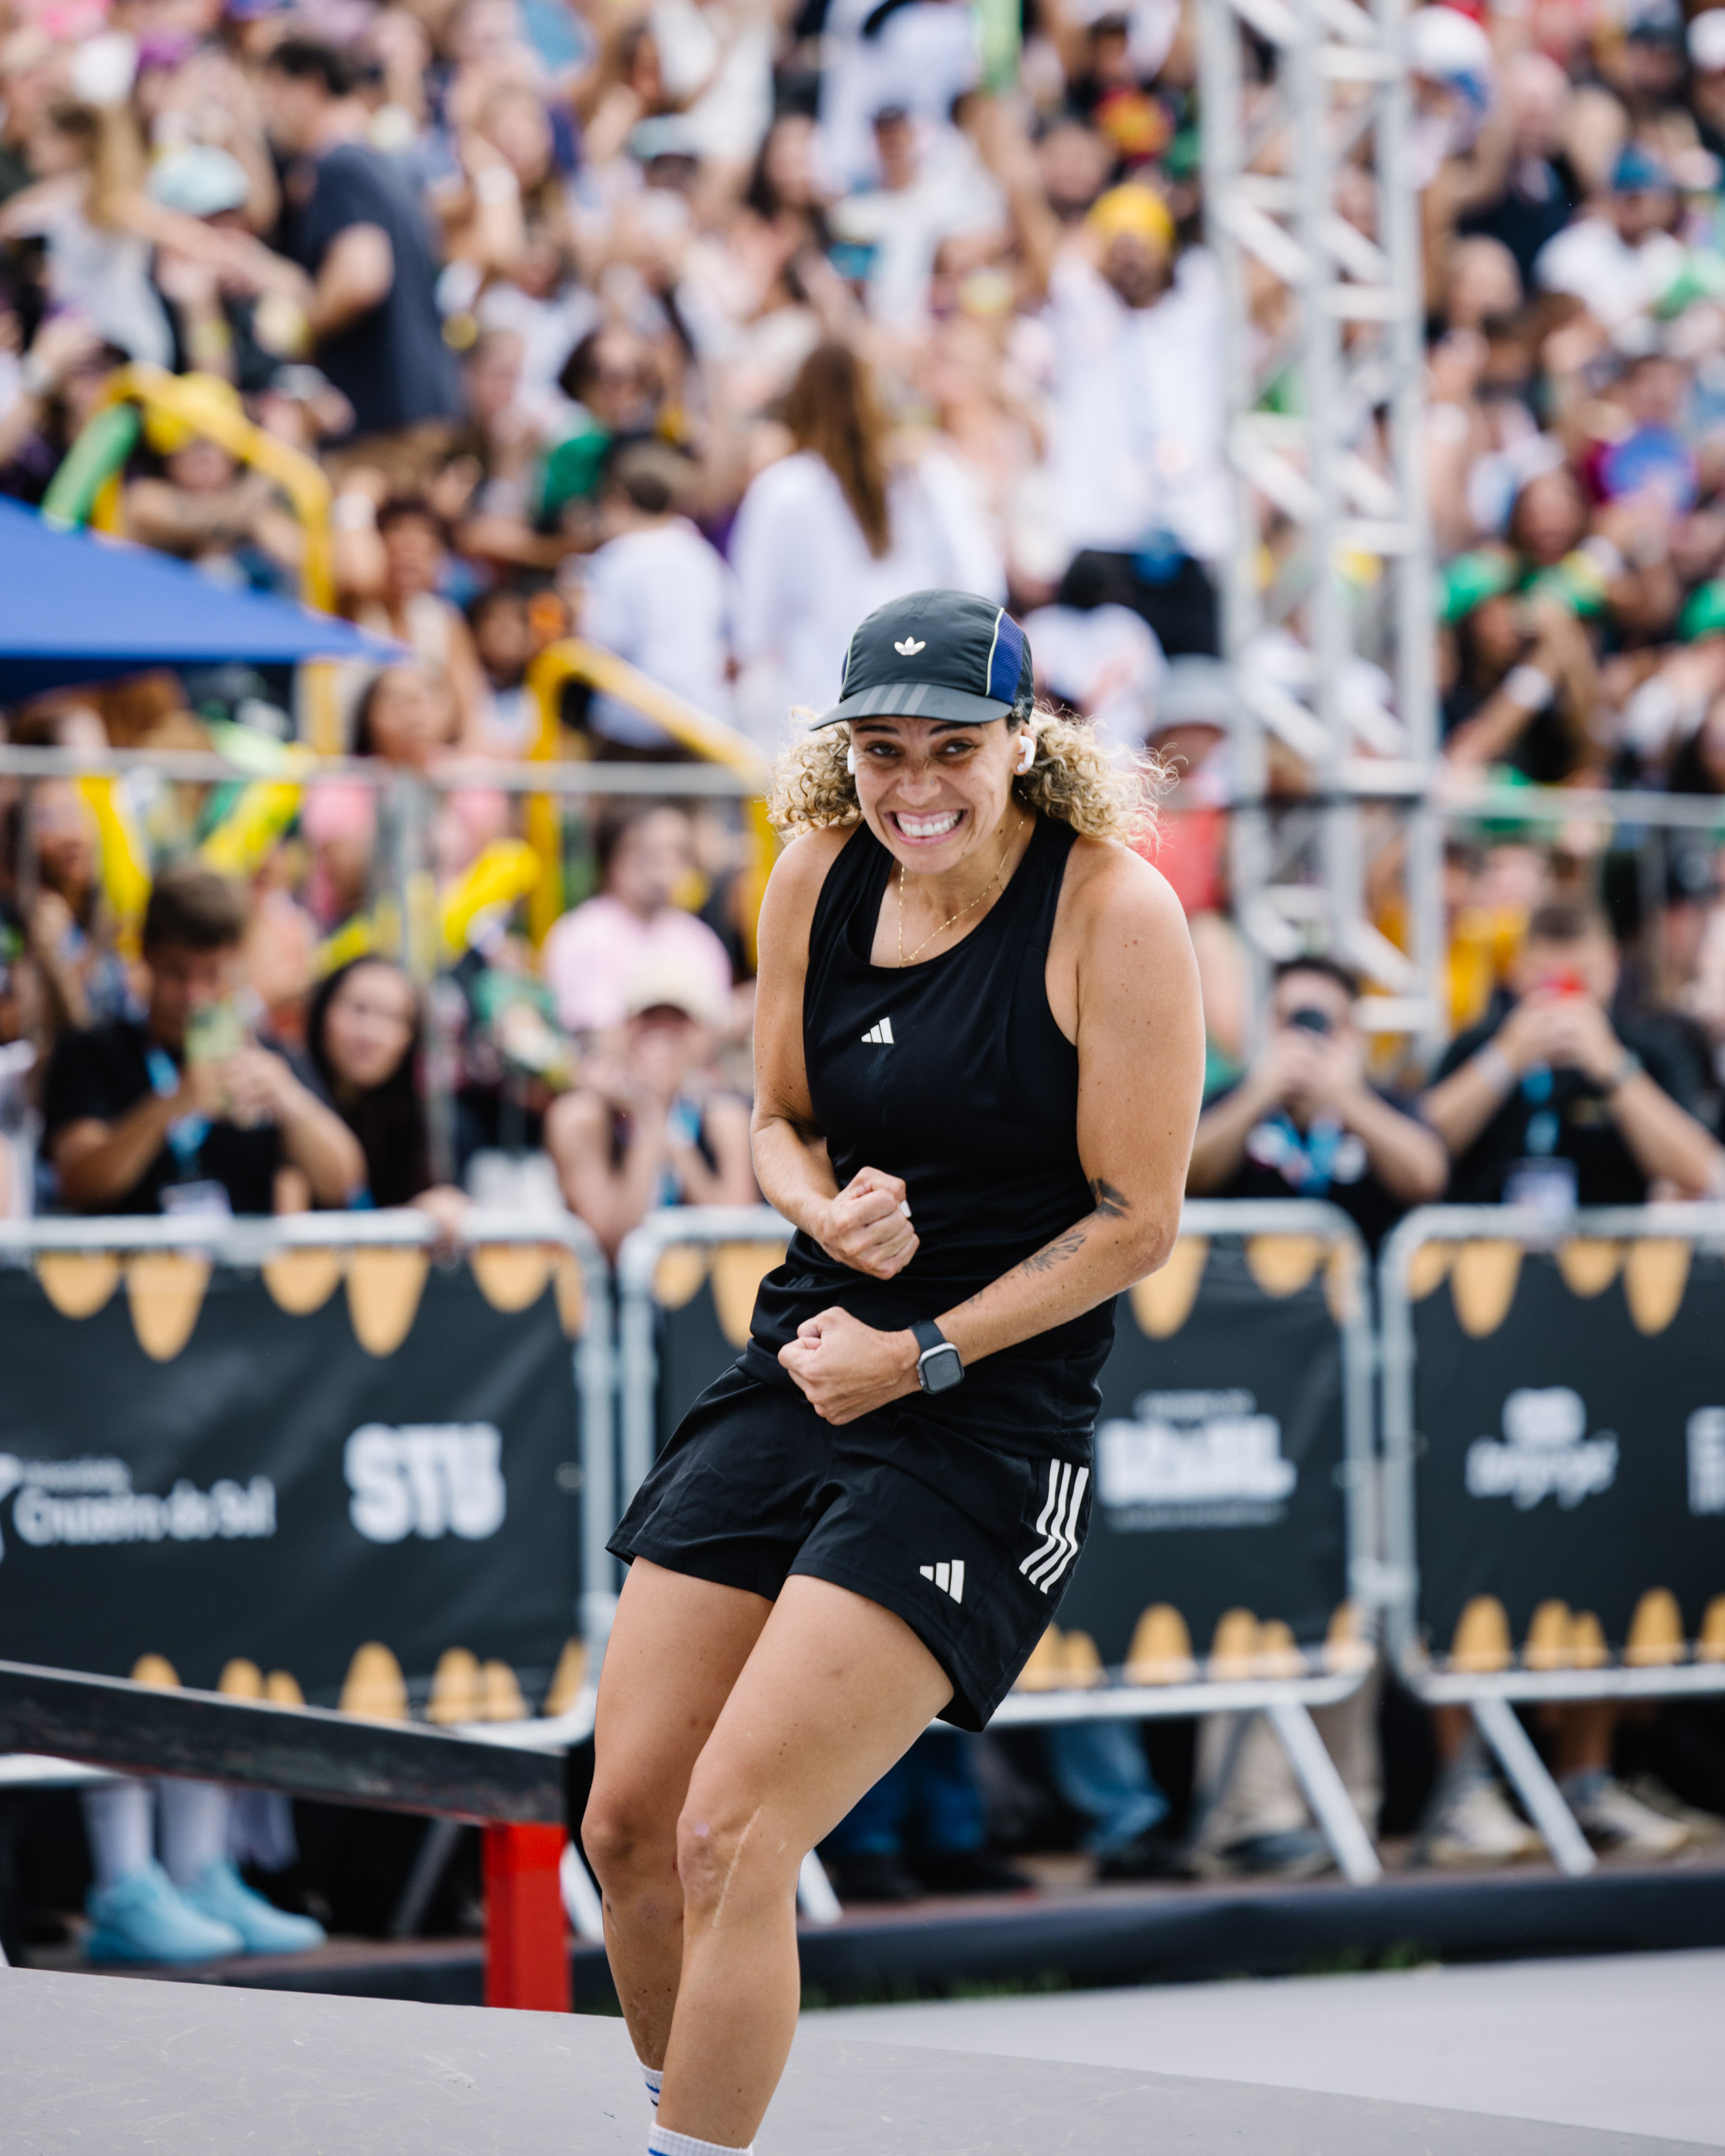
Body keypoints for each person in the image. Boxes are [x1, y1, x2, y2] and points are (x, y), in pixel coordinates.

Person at [581, 590, 1204, 2155]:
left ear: (1024, 745)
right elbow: (776, 1114)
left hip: (983, 1414)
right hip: (808, 1356)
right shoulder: (814, 870)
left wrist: (917, 1351)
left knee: (736, 1830)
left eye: (951, 748)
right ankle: (686, 2113)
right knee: (629, 1821)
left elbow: (1137, 1225)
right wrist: (813, 1208)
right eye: (878, 749)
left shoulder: (1113, 912)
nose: (912, 783)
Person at [42, 864, 363, 1218]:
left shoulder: (269, 1056)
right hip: (126, 1271)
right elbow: (78, 1184)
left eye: (212, 975)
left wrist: (288, 1098)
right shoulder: (91, 1052)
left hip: (243, 1271)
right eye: (176, 973)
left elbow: (344, 1182)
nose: (193, 996)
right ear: (144, 953)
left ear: (238, 963)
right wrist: (175, 1103)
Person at [1421, 898, 1723, 1210]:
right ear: (1518, 970)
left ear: (1611, 966)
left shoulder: (1652, 1049)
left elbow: (1701, 1171)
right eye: (1550, 982)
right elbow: (1420, 1145)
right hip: (1480, 1252)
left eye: (1580, 981)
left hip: (1613, 1253)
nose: (1565, 1000)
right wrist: (1504, 1060)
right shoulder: (1477, 1046)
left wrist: (1613, 1068)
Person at [254, 37, 459, 465]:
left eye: (273, 93)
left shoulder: (336, 167)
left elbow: (362, 276)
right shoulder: (387, 167)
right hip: (427, 401)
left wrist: (303, 327)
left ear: (310, 87)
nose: (268, 113)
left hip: (382, 415)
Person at [1187, 956, 1450, 1250]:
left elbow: (1428, 1179)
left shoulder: (1383, 1101)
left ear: (1351, 1032)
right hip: (1241, 1288)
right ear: (1268, 1023)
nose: (1306, 1038)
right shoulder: (1234, 1098)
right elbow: (1184, 1179)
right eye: (1291, 1020)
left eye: (1323, 1023)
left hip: (1357, 1291)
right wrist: (1258, 1095)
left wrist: (1347, 1100)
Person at [545, 953, 756, 1261]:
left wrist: (667, 1134)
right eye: (649, 1020)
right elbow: (612, 1243)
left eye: (677, 1022)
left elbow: (737, 1233)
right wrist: (649, 1116)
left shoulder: (723, 1118)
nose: (662, 1035)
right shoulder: (582, 1118)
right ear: (624, 1030)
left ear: (701, 1035)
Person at [540, 802, 735, 1041]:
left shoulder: (699, 940)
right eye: (653, 852)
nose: (665, 865)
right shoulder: (578, 933)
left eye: (677, 853)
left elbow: (714, 1027)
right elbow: (580, 1029)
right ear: (617, 857)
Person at [303, 957, 466, 1231]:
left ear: (410, 1037)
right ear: (323, 1010)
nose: (370, 1034)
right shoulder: (287, 1098)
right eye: (358, 1009)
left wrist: (428, 1212)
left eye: (392, 1017)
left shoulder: (418, 1121)